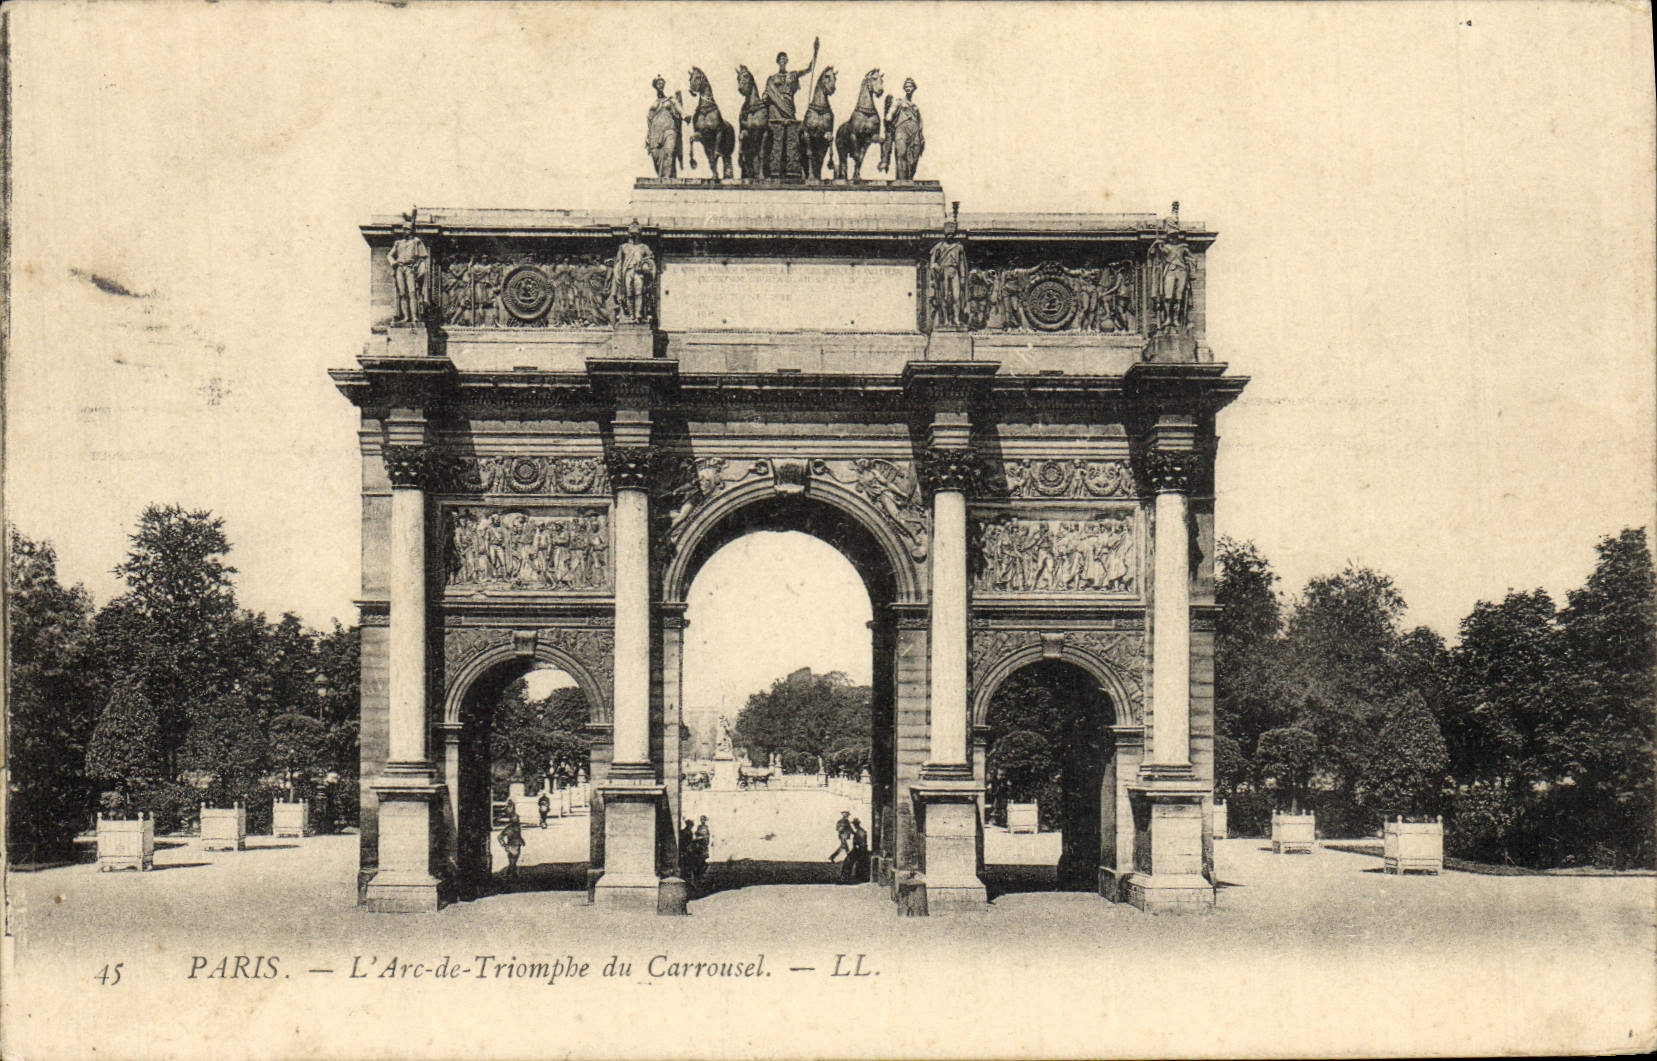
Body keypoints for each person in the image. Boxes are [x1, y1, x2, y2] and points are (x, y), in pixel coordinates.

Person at [498, 807, 525, 880]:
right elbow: (500, 837)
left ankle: (510, 874)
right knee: (512, 862)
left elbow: (518, 836)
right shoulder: (510, 828)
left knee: (513, 862)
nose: (518, 820)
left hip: (516, 846)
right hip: (512, 846)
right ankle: (510, 875)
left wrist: (522, 841)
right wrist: (504, 845)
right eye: (517, 819)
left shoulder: (516, 827)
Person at [844, 817, 870, 883]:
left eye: (855, 824)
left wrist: (856, 849)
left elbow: (861, 843)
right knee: (849, 860)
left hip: (859, 850)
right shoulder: (859, 831)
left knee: (849, 861)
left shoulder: (860, 832)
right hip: (858, 849)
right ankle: (848, 876)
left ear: (857, 824)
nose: (854, 825)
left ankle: (846, 877)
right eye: (854, 824)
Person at [692, 815, 712, 882]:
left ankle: (702, 874)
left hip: (702, 846)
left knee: (702, 860)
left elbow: (706, 837)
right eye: (701, 819)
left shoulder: (706, 828)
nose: (702, 821)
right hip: (698, 846)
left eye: (703, 819)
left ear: (705, 820)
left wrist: (700, 837)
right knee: (698, 860)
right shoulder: (699, 827)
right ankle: (699, 875)